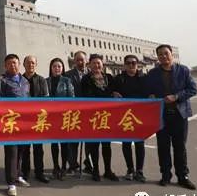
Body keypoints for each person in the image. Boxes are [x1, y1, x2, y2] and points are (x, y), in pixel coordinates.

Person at [146, 44, 197, 190]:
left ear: (172, 55)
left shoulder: (183, 70)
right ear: (157, 57)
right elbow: (147, 90)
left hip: (179, 115)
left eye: (166, 53)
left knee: (180, 147)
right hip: (161, 116)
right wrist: (150, 95)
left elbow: (193, 89)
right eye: (160, 54)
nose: (163, 56)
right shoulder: (153, 73)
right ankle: (165, 175)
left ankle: (183, 176)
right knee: (163, 147)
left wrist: (176, 97)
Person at [81, 54, 119, 182]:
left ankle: (108, 170)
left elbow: (114, 92)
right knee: (94, 145)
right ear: (89, 65)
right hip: (92, 118)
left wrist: (114, 94)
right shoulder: (86, 79)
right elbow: (83, 97)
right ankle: (95, 170)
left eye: (99, 63)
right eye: (94, 63)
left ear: (102, 64)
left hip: (107, 117)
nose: (97, 65)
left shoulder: (109, 78)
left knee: (106, 145)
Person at [0, 54, 30, 196]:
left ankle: (17, 175)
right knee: (11, 152)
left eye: (15, 63)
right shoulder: (2, 80)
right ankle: (11, 183)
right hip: (9, 122)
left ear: (19, 64)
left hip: (23, 122)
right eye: (9, 63)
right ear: (5, 66)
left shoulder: (25, 81)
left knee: (21, 150)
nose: (13, 65)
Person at [112, 54, 147, 183]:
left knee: (139, 143)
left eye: (133, 63)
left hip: (139, 116)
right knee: (126, 143)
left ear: (137, 64)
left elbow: (150, 92)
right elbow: (112, 91)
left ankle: (140, 170)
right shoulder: (119, 79)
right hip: (124, 116)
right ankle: (130, 169)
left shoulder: (143, 78)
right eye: (128, 63)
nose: (131, 65)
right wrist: (113, 93)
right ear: (124, 65)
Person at [19, 55, 50, 186]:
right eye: (28, 63)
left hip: (38, 119)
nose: (30, 65)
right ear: (24, 64)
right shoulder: (19, 80)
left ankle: (39, 172)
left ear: (36, 65)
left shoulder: (41, 80)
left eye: (33, 63)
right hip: (23, 119)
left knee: (38, 148)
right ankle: (25, 173)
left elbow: (46, 98)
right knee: (25, 148)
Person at [46, 58, 75, 180]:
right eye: (54, 66)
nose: (57, 68)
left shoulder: (67, 81)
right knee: (53, 144)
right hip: (51, 117)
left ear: (62, 68)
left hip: (64, 117)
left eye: (59, 66)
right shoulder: (46, 81)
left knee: (64, 144)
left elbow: (72, 98)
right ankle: (56, 166)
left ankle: (63, 167)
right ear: (51, 68)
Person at [63, 51, 90, 174]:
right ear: (74, 61)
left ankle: (89, 163)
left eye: (82, 60)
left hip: (89, 113)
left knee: (90, 140)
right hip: (73, 112)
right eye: (78, 60)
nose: (80, 62)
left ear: (86, 60)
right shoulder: (68, 75)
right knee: (73, 141)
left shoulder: (92, 74)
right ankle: (72, 164)